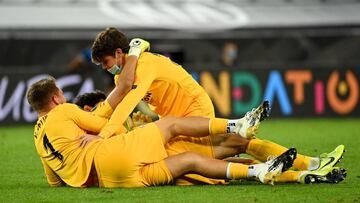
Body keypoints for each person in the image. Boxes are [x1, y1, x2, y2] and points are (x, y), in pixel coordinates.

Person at [90, 28, 346, 185]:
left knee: (224, 151)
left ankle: (306, 167)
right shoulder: (121, 77)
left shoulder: (145, 64)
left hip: (194, 112)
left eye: (106, 61)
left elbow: (130, 99)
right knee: (232, 150)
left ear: (119, 53)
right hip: (175, 121)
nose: (105, 67)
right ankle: (307, 168)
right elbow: (143, 99)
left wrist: (105, 132)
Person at [27, 76, 300, 188]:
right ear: (55, 99)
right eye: (61, 95)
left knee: (189, 161)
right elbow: (111, 127)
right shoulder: (62, 112)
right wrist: (97, 134)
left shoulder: (38, 138)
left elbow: (55, 182)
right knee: (170, 124)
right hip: (108, 155)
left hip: (111, 182)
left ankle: (258, 172)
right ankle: (236, 124)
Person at [73, 91, 347, 185]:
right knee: (240, 147)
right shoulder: (97, 133)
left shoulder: (96, 140)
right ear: (90, 109)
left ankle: (306, 171)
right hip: (169, 157)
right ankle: (308, 167)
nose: (109, 110)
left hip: (166, 158)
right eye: (102, 105)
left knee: (240, 150)